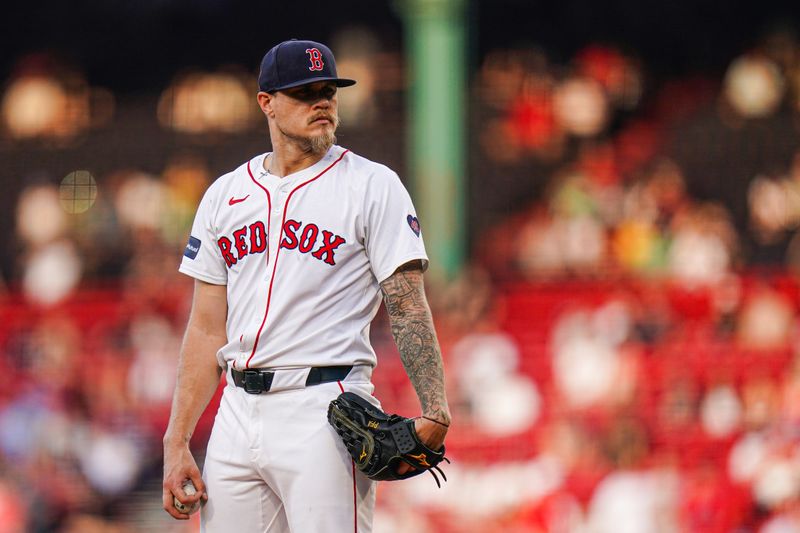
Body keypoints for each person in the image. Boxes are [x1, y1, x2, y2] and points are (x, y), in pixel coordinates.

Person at [162, 39, 451, 532]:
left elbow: (406, 305)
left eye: (329, 90)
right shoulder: (225, 194)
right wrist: (177, 440)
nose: (322, 101)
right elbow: (208, 328)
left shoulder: (370, 184)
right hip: (236, 410)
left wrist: (436, 408)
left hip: (324, 406)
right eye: (304, 92)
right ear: (267, 103)